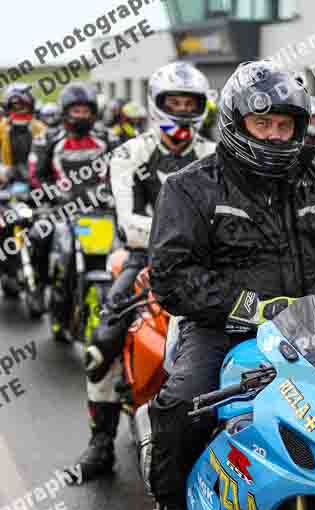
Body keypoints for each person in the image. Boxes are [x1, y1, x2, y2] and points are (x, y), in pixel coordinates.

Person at [136, 60, 315, 510]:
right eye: (262, 124)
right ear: (236, 123)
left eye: (284, 125)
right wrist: (249, 308)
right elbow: (171, 273)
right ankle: (174, 504)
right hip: (221, 328)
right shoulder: (190, 185)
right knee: (182, 403)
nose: (273, 135)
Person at [69, 62, 216, 482]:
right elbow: (129, 222)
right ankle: (101, 444)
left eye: (190, 103)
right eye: (175, 102)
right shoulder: (130, 155)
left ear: (201, 107)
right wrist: (186, 233)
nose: (183, 110)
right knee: (102, 343)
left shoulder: (214, 155)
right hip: (143, 258)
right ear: (157, 104)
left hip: (205, 261)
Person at [29, 82, 119, 325]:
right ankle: (39, 286)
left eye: (86, 111)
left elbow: (121, 170)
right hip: (61, 210)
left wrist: (114, 193)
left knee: (130, 246)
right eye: (75, 111)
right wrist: (53, 194)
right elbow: (37, 174)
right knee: (39, 235)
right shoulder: (48, 138)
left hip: (101, 210)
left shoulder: (108, 137)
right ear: (65, 111)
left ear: (93, 113)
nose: (81, 116)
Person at [0, 83, 46, 296]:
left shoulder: (41, 129)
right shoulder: (1, 128)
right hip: (6, 187)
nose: (19, 110)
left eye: (23, 106)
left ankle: (43, 272)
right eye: (14, 106)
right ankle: (8, 271)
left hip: (33, 188)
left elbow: (47, 160)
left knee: (42, 229)